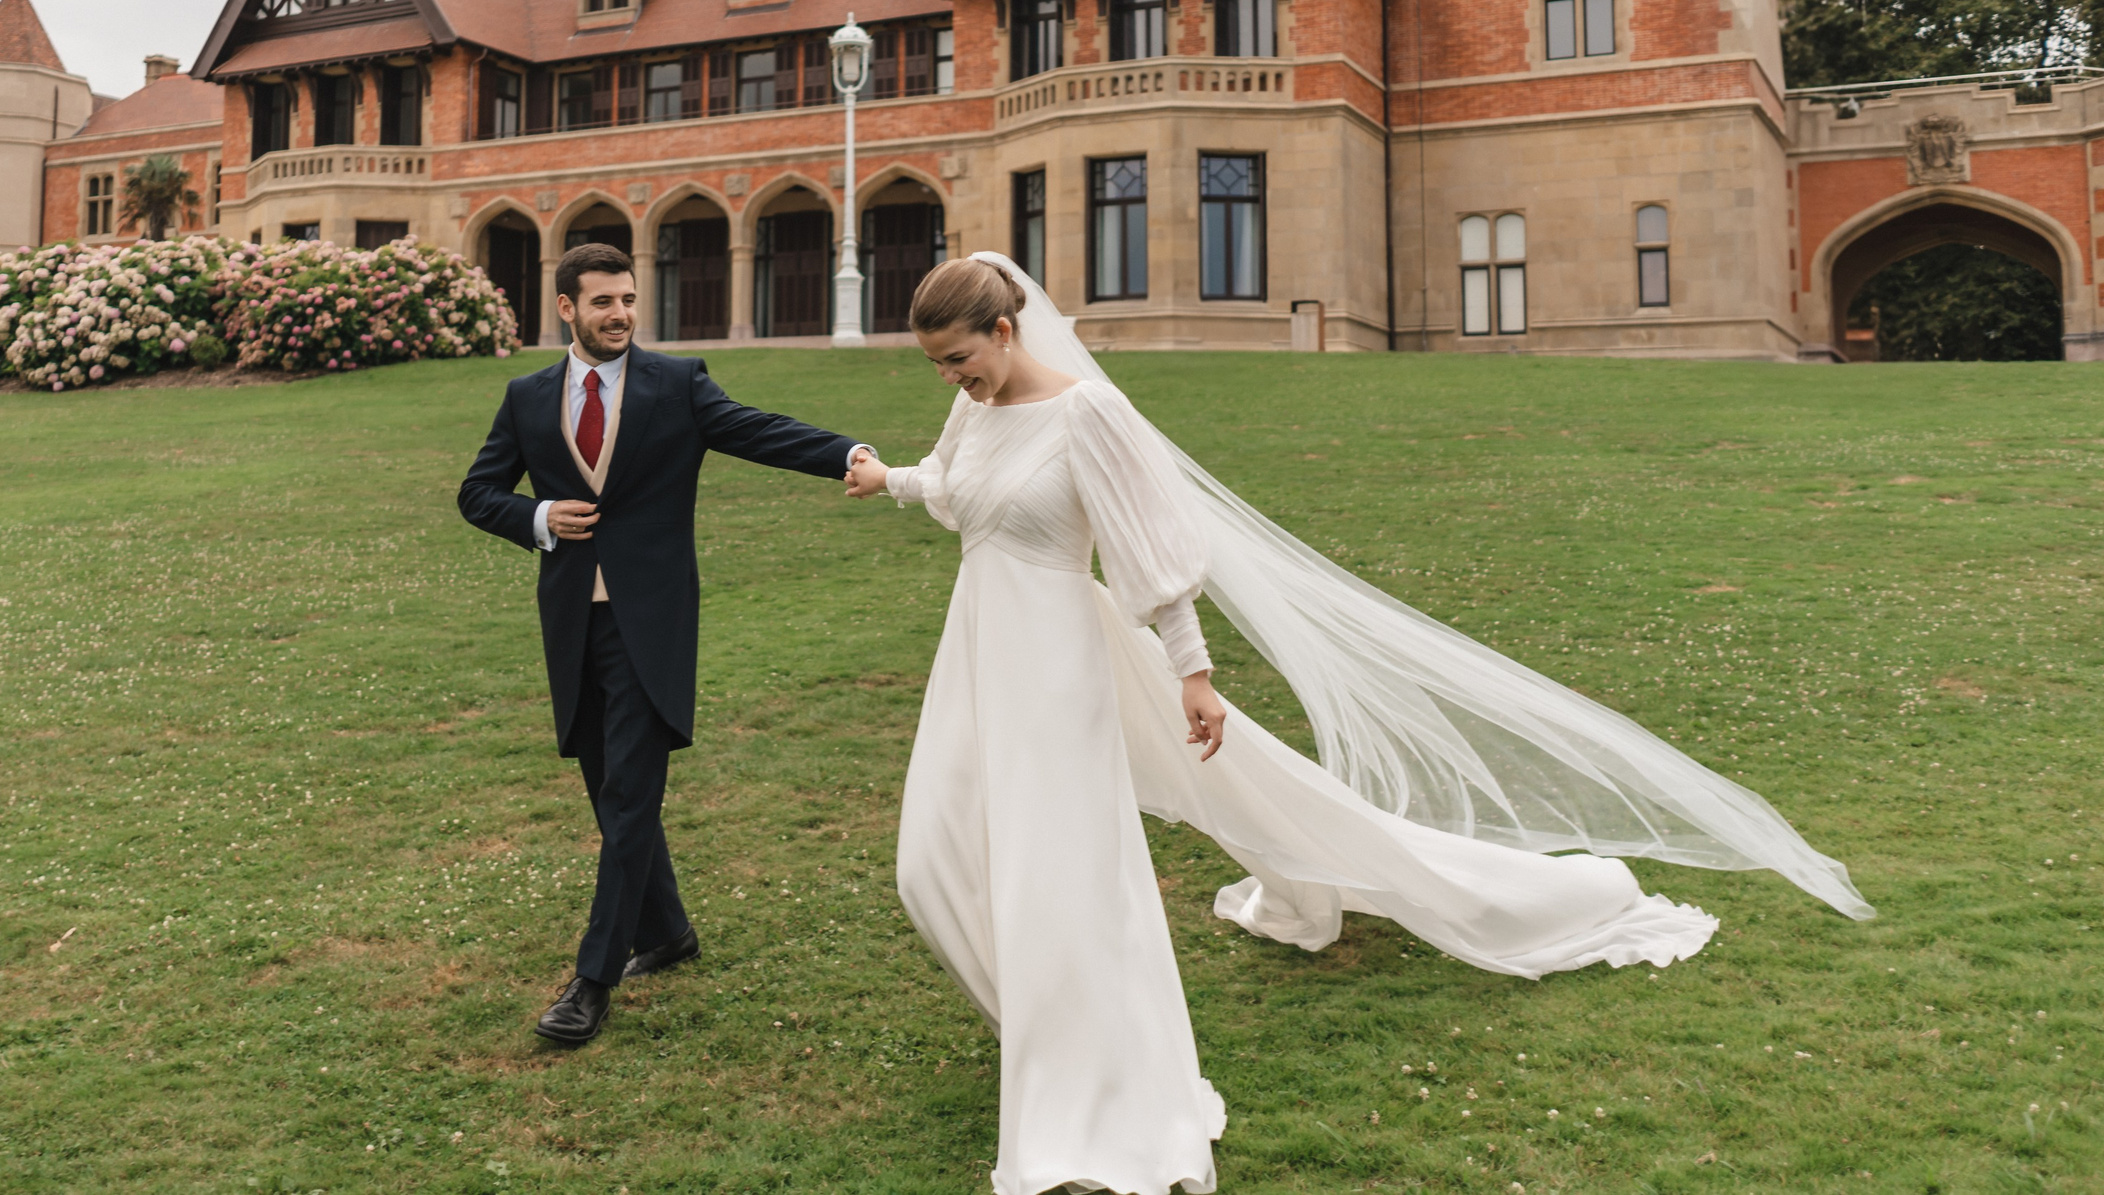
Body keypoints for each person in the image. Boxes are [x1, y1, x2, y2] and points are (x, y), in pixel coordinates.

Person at [844, 254, 1869, 1195]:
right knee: (927, 862)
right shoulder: (972, 416)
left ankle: (1094, 1083)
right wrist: (887, 477)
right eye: (938, 368)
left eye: (959, 359)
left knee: (1060, 876)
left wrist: (1192, 676)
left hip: (1063, 662)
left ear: (1005, 328)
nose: (952, 380)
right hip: (976, 653)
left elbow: (1150, 556)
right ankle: (1041, 1028)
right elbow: (954, 494)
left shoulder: (1087, 417)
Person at [457, 242, 876, 1047]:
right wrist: (538, 518)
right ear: (567, 310)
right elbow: (478, 492)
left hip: (652, 624)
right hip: (575, 621)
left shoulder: (676, 383)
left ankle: (593, 977)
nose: (619, 313)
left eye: (628, 298)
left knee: (627, 799)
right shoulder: (526, 395)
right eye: (602, 301)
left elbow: (758, 431)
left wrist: (846, 455)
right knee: (606, 782)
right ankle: (669, 932)